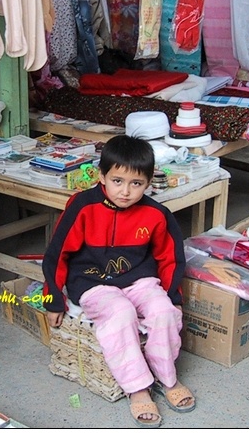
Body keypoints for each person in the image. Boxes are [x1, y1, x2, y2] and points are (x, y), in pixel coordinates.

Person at [42, 135, 194, 428]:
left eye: (136, 183)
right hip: (92, 282)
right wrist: (54, 299)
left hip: (139, 280)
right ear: (102, 176)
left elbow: (171, 258)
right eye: (117, 181)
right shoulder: (82, 206)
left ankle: (167, 378)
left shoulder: (157, 214)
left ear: (149, 182)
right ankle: (137, 388)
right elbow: (56, 254)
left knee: (163, 311)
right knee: (121, 312)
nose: (125, 192)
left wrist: (173, 297)